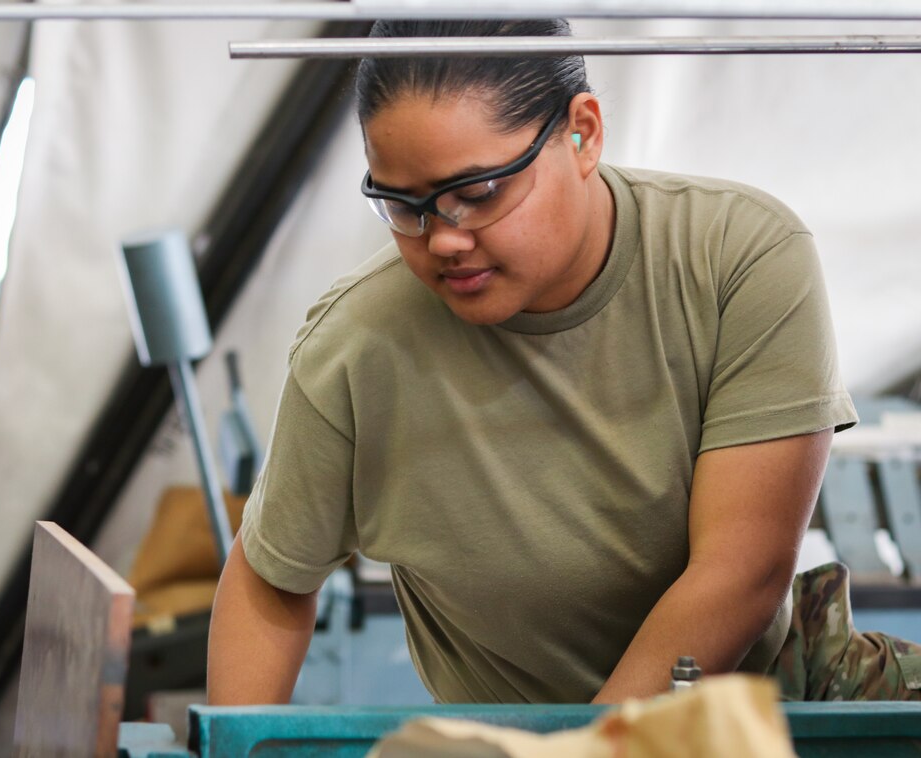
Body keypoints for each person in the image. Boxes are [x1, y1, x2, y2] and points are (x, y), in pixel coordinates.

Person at [207, 19, 921, 705]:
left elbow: (741, 570)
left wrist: (591, 748)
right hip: (518, 737)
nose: (443, 240)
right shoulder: (355, 352)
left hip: (778, 702)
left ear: (582, 132)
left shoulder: (738, 259)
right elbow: (271, 576)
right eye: (403, 206)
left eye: (476, 193)